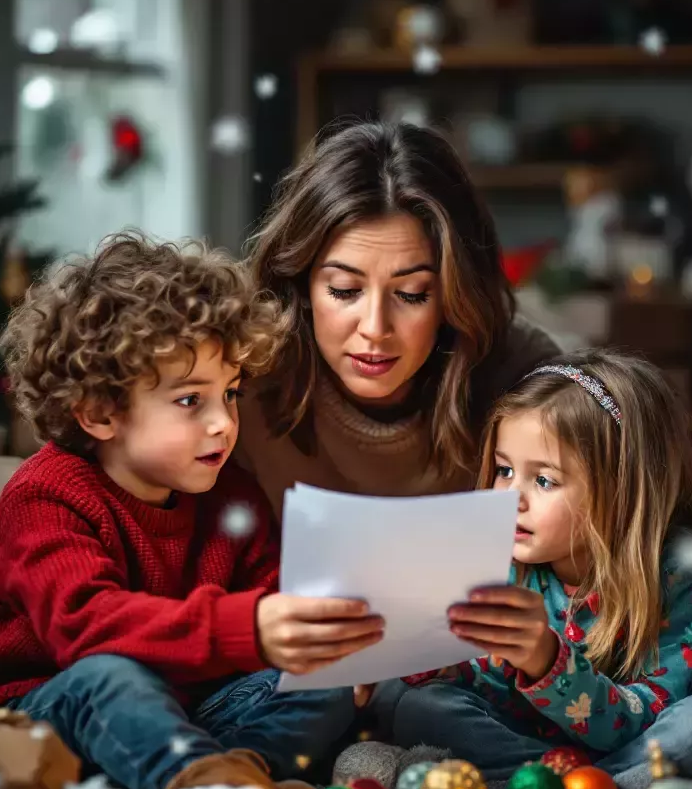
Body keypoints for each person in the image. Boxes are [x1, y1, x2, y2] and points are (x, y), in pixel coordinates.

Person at [0, 234, 385, 789]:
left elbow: (266, 600)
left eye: (231, 393)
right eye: (191, 401)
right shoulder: (44, 497)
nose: (224, 423)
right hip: (31, 723)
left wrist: (323, 640)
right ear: (99, 411)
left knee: (321, 679)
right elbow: (84, 627)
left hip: (177, 718)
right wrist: (248, 628)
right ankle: (203, 786)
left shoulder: (229, 494)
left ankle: (233, 776)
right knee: (109, 676)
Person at [390, 350, 692, 789]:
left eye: (543, 481)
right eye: (505, 470)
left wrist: (548, 661)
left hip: (643, 733)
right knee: (420, 706)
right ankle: (567, 786)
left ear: (623, 489)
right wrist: (439, 660)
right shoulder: (503, 555)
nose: (511, 497)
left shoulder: (679, 573)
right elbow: (490, 686)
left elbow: (640, 717)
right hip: (540, 739)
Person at [235, 120, 561, 517]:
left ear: (454, 295)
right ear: (301, 284)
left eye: (411, 295)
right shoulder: (242, 380)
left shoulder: (526, 377)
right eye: (343, 290)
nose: (374, 328)